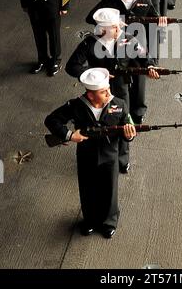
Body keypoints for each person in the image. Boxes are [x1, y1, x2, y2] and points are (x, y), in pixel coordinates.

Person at [44, 67, 136, 238]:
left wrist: (129, 136)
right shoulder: (76, 105)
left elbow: (127, 131)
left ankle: (109, 222)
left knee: (110, 191)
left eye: (108, 89)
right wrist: (69, 135)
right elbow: (51, 120)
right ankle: (90, 220)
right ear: (90, 94)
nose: (109, 94)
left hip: (110, 157)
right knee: (87, 190)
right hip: (86, 156)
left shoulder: (120, 104)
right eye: (103, 92)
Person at [65, 7, 159, 173]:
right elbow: (72, 66)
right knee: (95, 124)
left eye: (118, 26)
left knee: (124, 125)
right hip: (97, 93)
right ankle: (96, 157)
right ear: (102, 29)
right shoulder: (90, 43)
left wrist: (150, 66)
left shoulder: (127, 39)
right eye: (114, 27)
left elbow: (144, 56)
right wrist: (92, 75)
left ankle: (122, 160)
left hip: (121, 91)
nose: (119, 29)